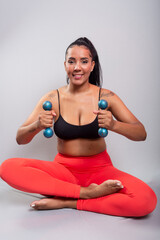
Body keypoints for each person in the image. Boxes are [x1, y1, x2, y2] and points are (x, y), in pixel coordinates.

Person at [0, 37, 157, 217]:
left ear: (92, 65)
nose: (77, 67)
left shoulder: (107, 96)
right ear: (65, 64)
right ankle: (86, 194)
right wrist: (37, 125)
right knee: (6, 168)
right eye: (71, 61)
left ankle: (70, 201)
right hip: (63, 173)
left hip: (100, 171)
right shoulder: (52, 98)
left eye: (84, 61)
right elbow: (20, 139)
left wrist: (114, 124)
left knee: (146, 201)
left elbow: (141, 133)